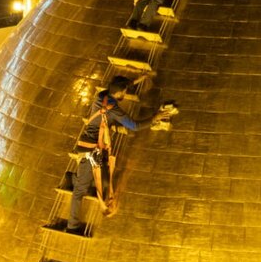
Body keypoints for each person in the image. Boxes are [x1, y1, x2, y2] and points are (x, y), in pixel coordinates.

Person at [49, 76, 174, 234]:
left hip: (89, 145)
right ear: (120, 92)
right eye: (125, 91)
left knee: (99, 176)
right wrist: (154, 118)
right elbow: (134, 125)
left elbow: (119, 87)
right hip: (92, 153)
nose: (125, 93)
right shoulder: (113, 109)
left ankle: (73, 177)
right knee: (81, 190)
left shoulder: (102, 96)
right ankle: (72, 225)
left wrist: (137, 80)